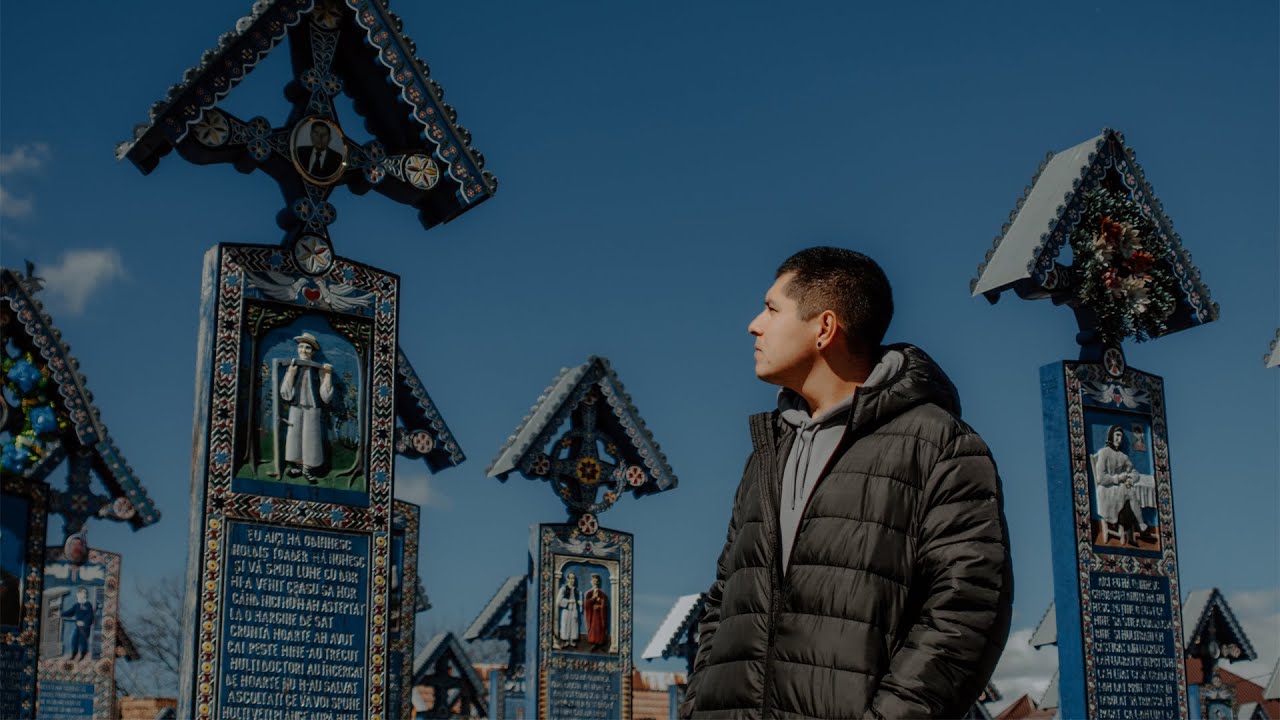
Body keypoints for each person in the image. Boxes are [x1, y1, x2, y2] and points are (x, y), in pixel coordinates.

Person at [683, 247, 1013, 719]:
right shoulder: (766, 454)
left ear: (824, 328)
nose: (754, 324)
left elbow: (968, 606)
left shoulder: (939, 446)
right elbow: (723, 600)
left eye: (773, 309)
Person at [279, 333, 334, 483]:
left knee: (311, 438)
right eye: (301, 346)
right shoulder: (293, 366)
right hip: (296, 405)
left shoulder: (318, 369)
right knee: (294, 435)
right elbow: (285, 393)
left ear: (313, 351)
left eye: (307, 347)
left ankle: (308, 469)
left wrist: (327, 376)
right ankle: (298, 465)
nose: (303, 350)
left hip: (312, 406)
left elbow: (326, 396)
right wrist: (291, 374)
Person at [1092, 424, 1148, 538]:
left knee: (1129, 489)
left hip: (1119, 488)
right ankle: (1140, 523)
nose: (1119, 439)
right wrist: (1117, 478)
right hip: (1106, 489)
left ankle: (1139, 524)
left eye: (1121, 436)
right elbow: (1101, 478)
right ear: (1111, 436)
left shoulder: (1123, 456)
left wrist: (1130, 478)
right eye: (1117, 435)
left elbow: (1134, 472)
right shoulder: (1104, 453)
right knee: (1130, 491)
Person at [62, 587, 94, 661]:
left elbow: (90, 616)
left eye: (82, 594)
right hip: (77, 627)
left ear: (84, 595)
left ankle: (83, 654)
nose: (79, 595)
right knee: (74, 639)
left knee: (83, 641)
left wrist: (84, 622)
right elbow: (70, 612)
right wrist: (61, 614)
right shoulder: (77, 605)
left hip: (85, 628)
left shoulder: (88, 605)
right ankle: (74, 654)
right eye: (79, 594)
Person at [583, 573, 609, 651]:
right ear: (591, 582)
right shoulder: (589, 593)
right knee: (593, 628)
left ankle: (600, 643)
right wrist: (593, 599)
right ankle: (593, 643)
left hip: (600, 615)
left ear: (598, 582)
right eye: (593, 581)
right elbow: (587, 604)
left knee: (600, 628)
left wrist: (601, 604)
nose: (595, 582)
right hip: (593, 615)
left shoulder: (602, 594)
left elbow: (604, 604)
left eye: (596, 581)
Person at [556, 570, 580, 648]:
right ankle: (565, 641)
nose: (572, 580)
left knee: (573, 624)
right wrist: (568, 601)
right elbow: (558, 601)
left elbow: (579, 599)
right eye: (570, 578)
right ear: (567, 579)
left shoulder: (576, 590)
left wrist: (579, 602)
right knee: (565, 624)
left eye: (573, 579)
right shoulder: (564, 589)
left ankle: (572, 640)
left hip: (574, 609)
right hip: (566, 609)